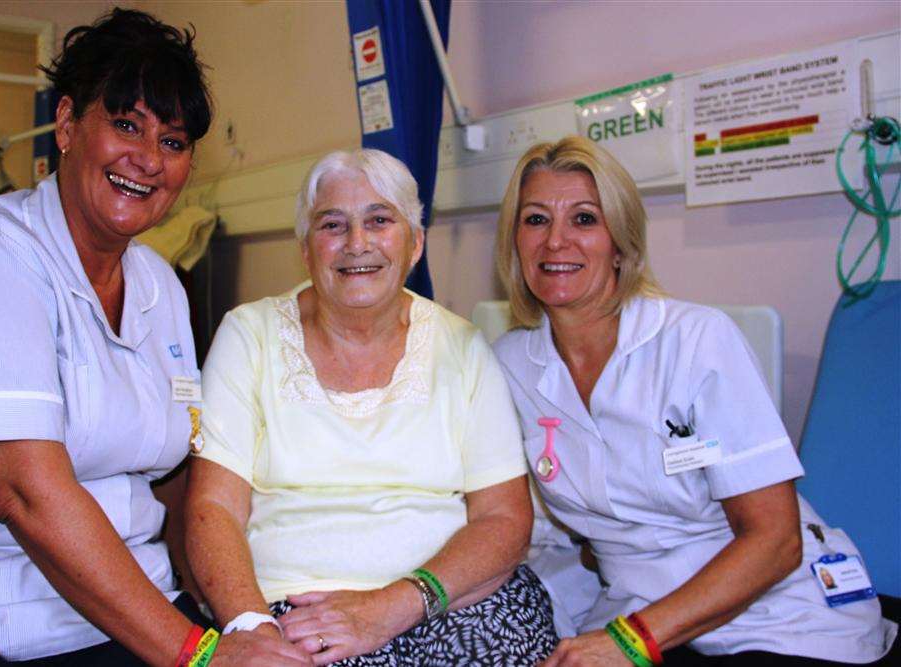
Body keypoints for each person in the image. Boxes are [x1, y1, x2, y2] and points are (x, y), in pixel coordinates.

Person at [0, 9, 310, 666]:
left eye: (173, 142)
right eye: (126, 125)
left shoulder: (159, 286)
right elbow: (24, 491)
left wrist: (237, 615)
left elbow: (177, 475)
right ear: (67, 125)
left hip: (136, 614)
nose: (147, 160)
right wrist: (198, 654)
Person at [491, 136, 898, 666]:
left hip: (774, 615)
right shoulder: (510, 365)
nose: (556, 242)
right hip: (639, 610)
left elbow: (775, 541)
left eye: (585, 219)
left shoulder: (696, 340)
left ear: (622, 241)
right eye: (536, 219)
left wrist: (630, 641)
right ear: (514, 240)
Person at [185, 148, 558, 666]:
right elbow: (213, 509)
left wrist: (393, 605)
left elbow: (503, 518)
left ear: (414, 244)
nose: (356, 244)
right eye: (332, 225)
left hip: (440, 601)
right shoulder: (250, 336)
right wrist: (251, 630)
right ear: (305, 249)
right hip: (290, 614)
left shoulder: (464, 347)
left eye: (379, 220)